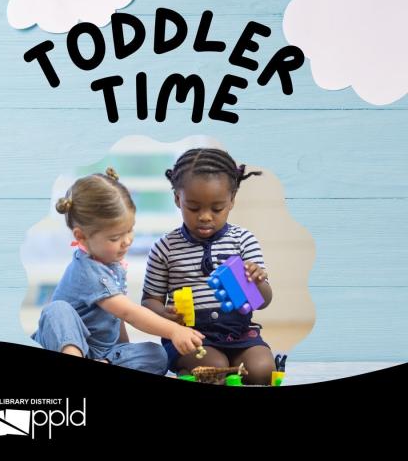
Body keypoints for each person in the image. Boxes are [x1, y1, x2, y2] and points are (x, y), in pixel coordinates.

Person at [32, 167, 204, 375]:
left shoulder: (112, 264)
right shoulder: (87, 270)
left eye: (130, 230)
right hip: (66, 344)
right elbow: (128, 312)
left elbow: (116, 317)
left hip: (102, 352)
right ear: (81, 237)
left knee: (158, 355)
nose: (127, 241)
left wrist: (126, 349)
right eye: (115, 238)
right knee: (56, 310)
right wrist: (174, 330)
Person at [142, 148, 276, 384]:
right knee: (216, 368)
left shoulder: (243, 240)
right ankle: (188, 371)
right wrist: (165, 315)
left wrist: (257, 282)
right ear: (177, 199)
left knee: (262, 369)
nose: (205, 216)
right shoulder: (165, 247)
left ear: (232, 200)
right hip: (190, 336)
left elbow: (263, 301)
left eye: (217, 208)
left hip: (240, 333)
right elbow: (149, 300)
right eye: (193, 208)